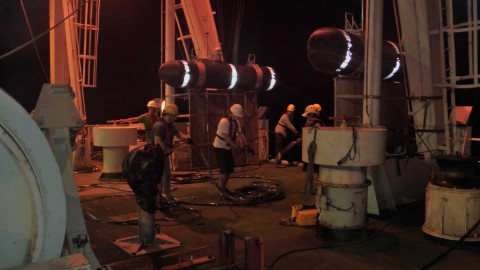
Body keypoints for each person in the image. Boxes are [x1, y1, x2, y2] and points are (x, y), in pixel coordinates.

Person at [151, 103, 188, 205]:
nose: (175, 118)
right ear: (169, 115)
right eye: (174, 116)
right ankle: (159, 199)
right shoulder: (160, 126)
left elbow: (177, 133)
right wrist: (167, 150)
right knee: (160, 177)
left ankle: (166, 196)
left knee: (166, 176)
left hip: (163, 154)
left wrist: (186, 138)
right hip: (157, 155)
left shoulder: (169, 125)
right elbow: (157, 140)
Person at [213, 104, 247, 198]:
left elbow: (240, 133)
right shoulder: (224, 121)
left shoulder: (236, 122)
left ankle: (223, 188)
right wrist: (236, 146)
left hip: (227, 148)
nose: (237, 117)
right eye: (236, 115)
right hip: (220, 148)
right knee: (224, 171)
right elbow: (227, 137)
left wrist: (246, 144)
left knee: (228, 170)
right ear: (231, 113)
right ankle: (222, 192)